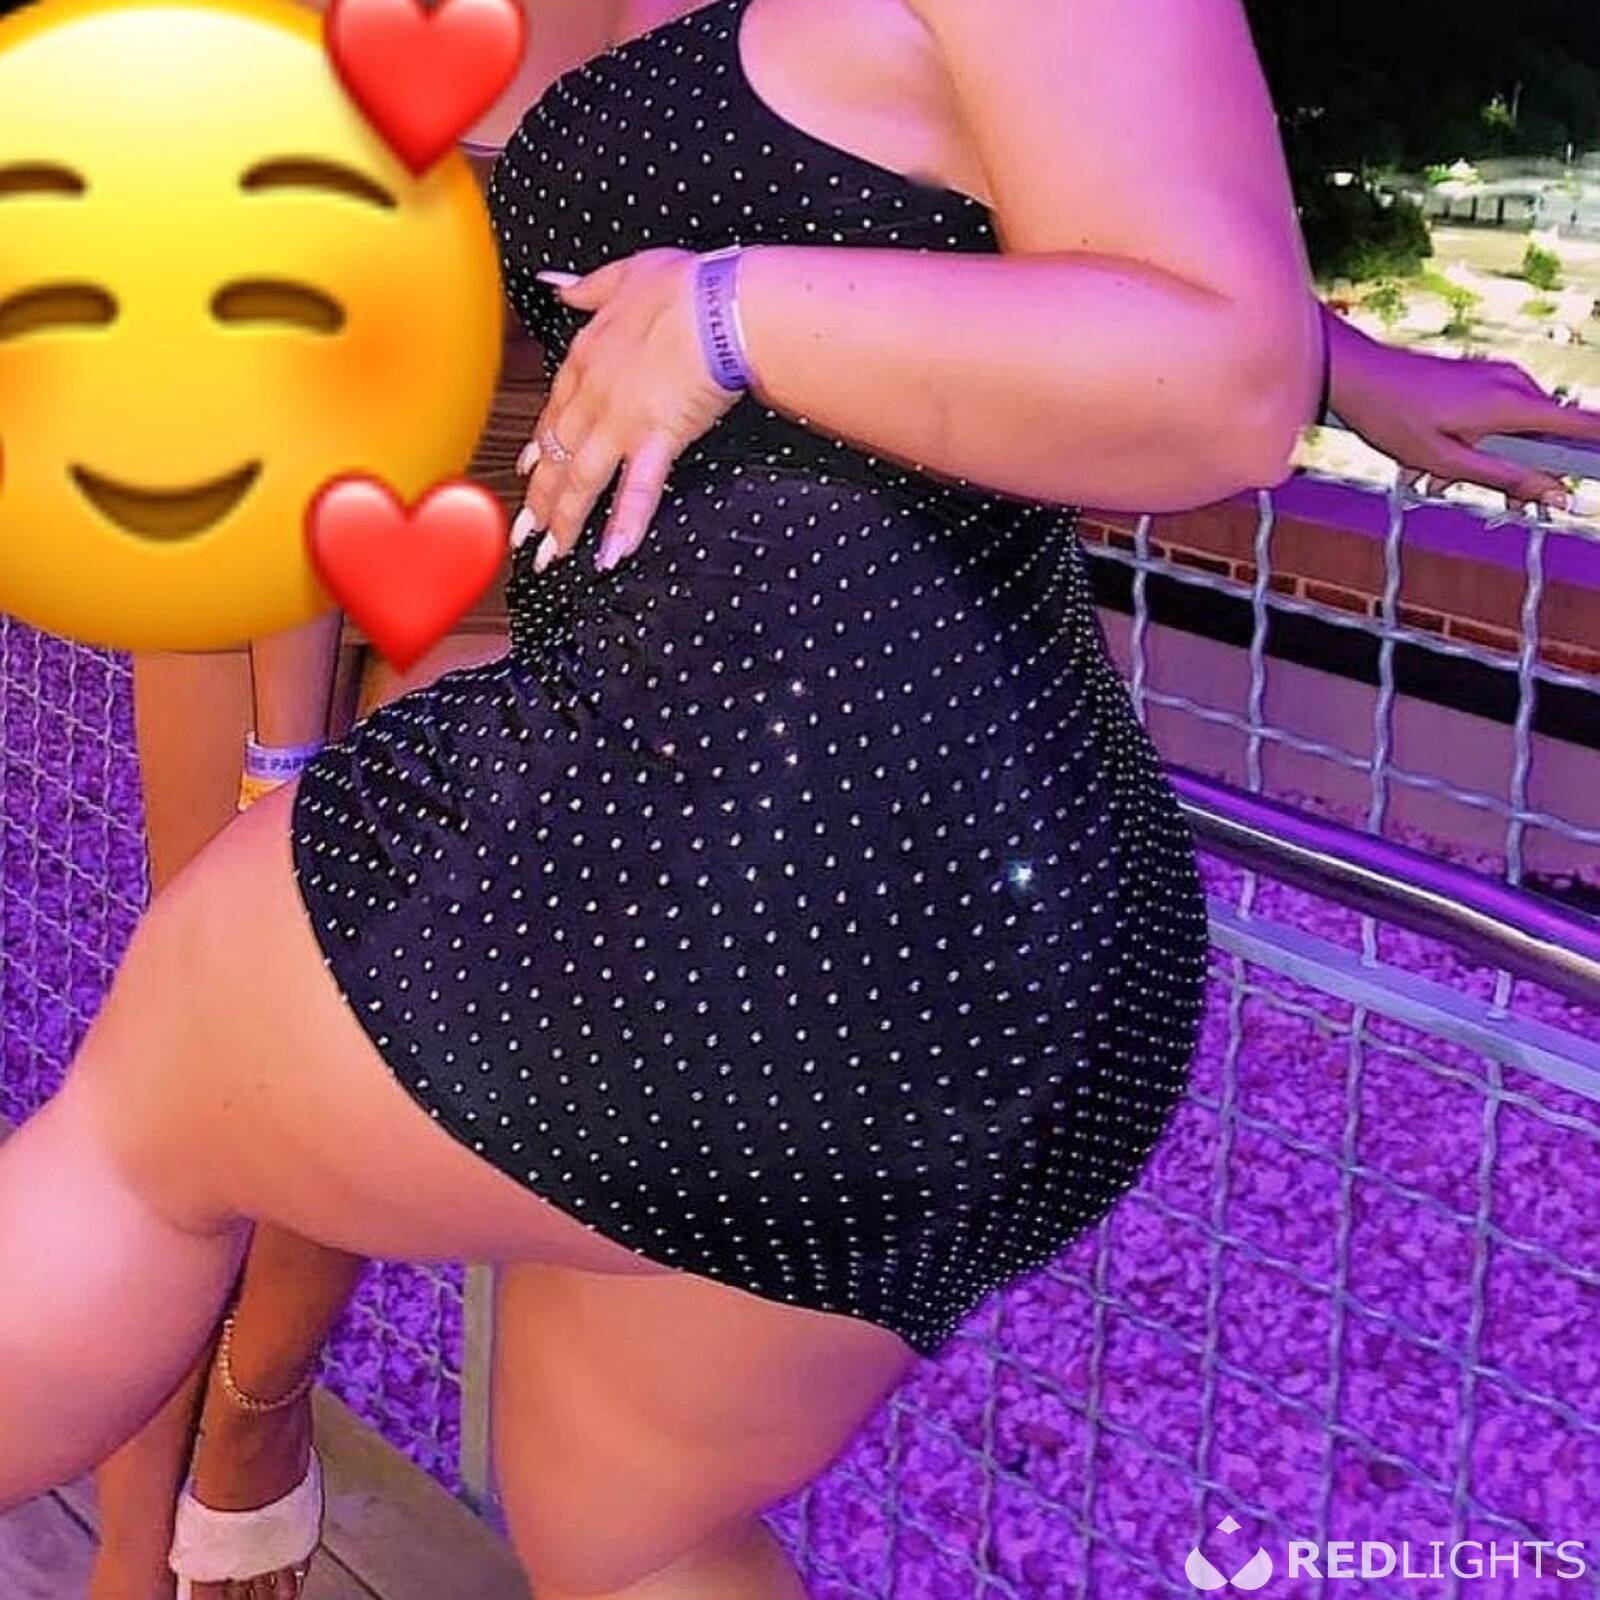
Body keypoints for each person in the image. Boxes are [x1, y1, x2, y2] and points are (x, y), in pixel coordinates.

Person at [5, 7, 1599, 1600]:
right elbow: (995, 181)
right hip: (949, 910)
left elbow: (1208, 364)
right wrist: (1331, 356)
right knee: (620, 1522)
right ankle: (176, 1517)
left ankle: (207, 1486)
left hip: (766, 839)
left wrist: (729, 316)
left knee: (149, 1133)